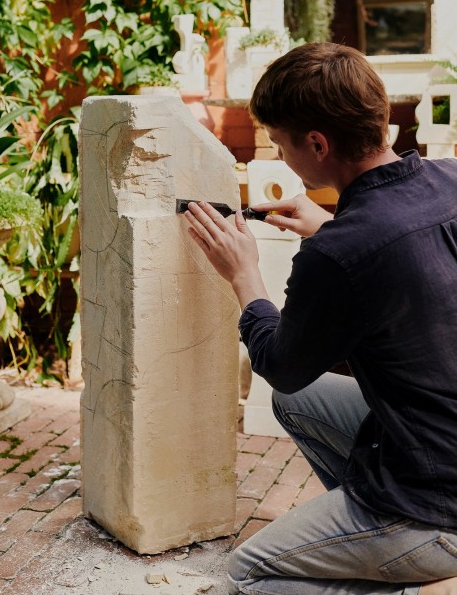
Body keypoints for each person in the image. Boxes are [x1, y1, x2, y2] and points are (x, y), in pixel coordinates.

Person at [184, 42, 457, 595]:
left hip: (435, 504)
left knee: (245, 574)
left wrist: (245, 276)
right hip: (439, 449)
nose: (283, 159)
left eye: (282, 146)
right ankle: (369, 558)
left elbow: (282, 365)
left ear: (317, 143)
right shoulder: (449, 181)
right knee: (301, 403)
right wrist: (332, 224)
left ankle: (387, 547)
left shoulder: (340, 254)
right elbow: (405, 264)